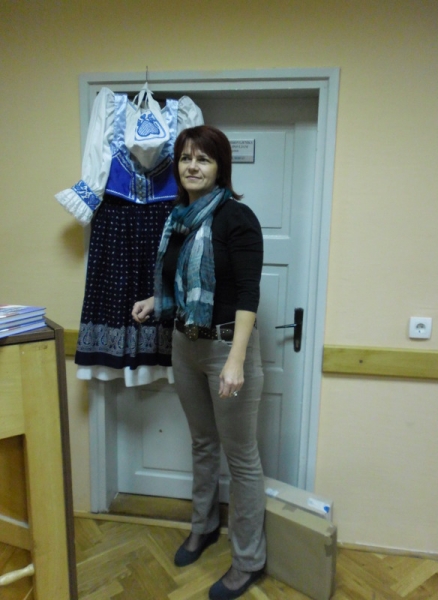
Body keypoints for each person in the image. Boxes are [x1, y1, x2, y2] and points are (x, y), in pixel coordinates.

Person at [132, 125, 265, 600]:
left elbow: (246, 293)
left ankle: (248, 561)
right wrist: (156, 300)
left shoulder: (237, 218)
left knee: (241, 458)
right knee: (203, 443)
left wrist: (236, 360)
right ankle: (204, 526)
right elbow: (182, 280)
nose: (192, 166)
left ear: (220, 167)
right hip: (184, 343)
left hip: (226, 348)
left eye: (203, 159)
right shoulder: (178, 218)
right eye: (186, 158)